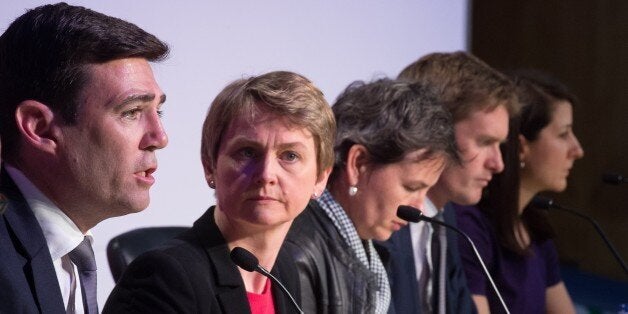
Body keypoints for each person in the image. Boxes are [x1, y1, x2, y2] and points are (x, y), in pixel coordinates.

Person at [103, 71, 335, 313]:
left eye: (290, 156)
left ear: (320, 178)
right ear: (210, 164)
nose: (266, 174)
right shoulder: (163, 277)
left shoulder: (284, 269)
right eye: (247, 152)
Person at [0, 3, 168, 313]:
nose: (160, 138)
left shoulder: (67, 250)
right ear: (40, 128)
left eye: (158, 111)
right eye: (132, 112)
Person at [284, 78, 458, 314]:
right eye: (411, 186)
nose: (419, 208)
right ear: (358, 163)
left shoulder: (372, 252)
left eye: (426, 191)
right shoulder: (298, 251)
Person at [379, 51, 520, 314]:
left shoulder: (446, 220)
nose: (498, 164)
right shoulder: (382, 223)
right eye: (485, 142)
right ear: (432, 130)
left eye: (499, 146)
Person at [454, 70, 582, 313]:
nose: (578, 149)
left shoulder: (534, 228)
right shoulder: (469, 225)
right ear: (522, 148)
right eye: (564, 134)